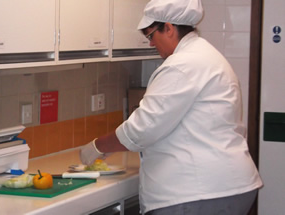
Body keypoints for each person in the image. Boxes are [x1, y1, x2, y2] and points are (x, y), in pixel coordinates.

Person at [80, 0, 263, 214]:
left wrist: (97, 146)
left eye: (150, 36)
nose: (150, 44)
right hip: (227, 185)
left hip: (197, 191)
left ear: (168, 28)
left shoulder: (182, 65)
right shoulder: (208, 56)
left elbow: (141, 130)